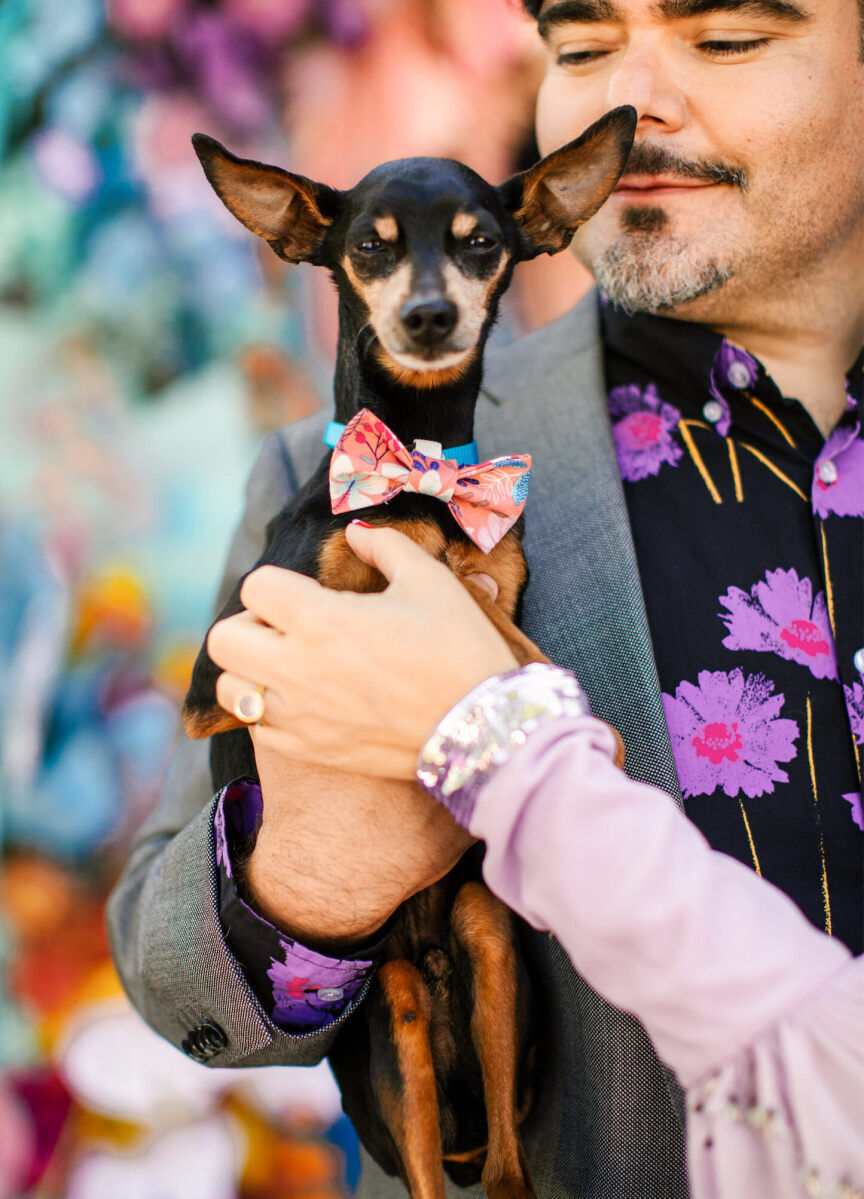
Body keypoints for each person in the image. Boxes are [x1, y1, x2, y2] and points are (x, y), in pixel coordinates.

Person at [107, 1, 864, 1196]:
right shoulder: (325, 474)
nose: (638, 98)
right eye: (579, 47)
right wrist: (310, 876)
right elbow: (169, 978)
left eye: (727, 39)